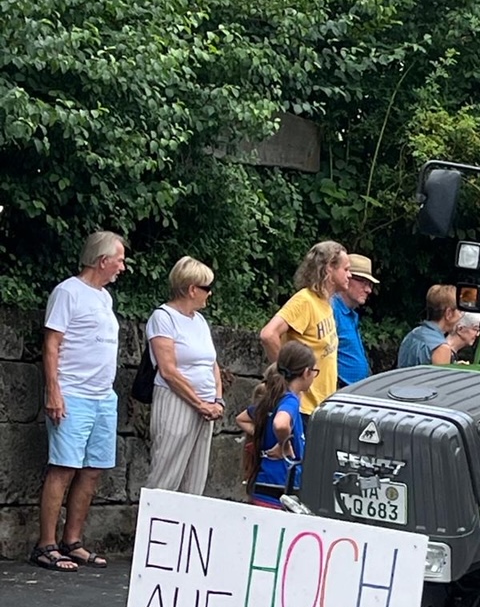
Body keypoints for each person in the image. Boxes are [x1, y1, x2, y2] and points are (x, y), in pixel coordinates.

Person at [30, 231, 126, 572]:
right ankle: (46, 544)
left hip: (102, 396)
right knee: (64, 467)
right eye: (119, 259)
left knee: (92, 470)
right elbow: (52, 344)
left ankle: (73, 541)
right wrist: (53, 391)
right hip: (73, 393)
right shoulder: (68, 292)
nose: (122, 266)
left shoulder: (104, 298)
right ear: (102, 261)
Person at [144, 256, 223, 495]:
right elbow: (168, 370)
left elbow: (212, 362)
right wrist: (199, 403)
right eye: (206, 288)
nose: (209, 294)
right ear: (191, 289)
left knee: (194, 479)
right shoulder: (163, 318)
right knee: (166, 473)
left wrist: (217, 400)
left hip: (206, 406)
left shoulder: (199, 320)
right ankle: (151, 527)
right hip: (176, 402)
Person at [260, 241, 347, 426]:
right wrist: (286, 376)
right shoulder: (304, 300)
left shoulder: (326, 304)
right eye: (345, 269)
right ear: (329, 269)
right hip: (302, 408)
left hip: (321, 408)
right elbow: (268, 334)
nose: (350, 274)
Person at [239, 342, 317, 508]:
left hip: (263, 484)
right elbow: (280, 424)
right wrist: (284, 444)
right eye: (314, 372)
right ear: (306, 372)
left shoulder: (273, 396)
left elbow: (242, 419)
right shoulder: (290, 400)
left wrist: (261, 433)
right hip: (279, 487)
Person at [333, 253, 377, 387]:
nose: (368, 290)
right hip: (338, 392)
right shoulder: (331, 309)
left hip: (355, 391)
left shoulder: (352, 313)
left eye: (369, 284)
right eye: (362, 282)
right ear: (347, 278)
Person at [398, 284, 462, 367]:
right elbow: (440, 379)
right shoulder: (442, 348)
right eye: (459, 311)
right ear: (448, 313)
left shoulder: (412, 335)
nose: (460, 316)